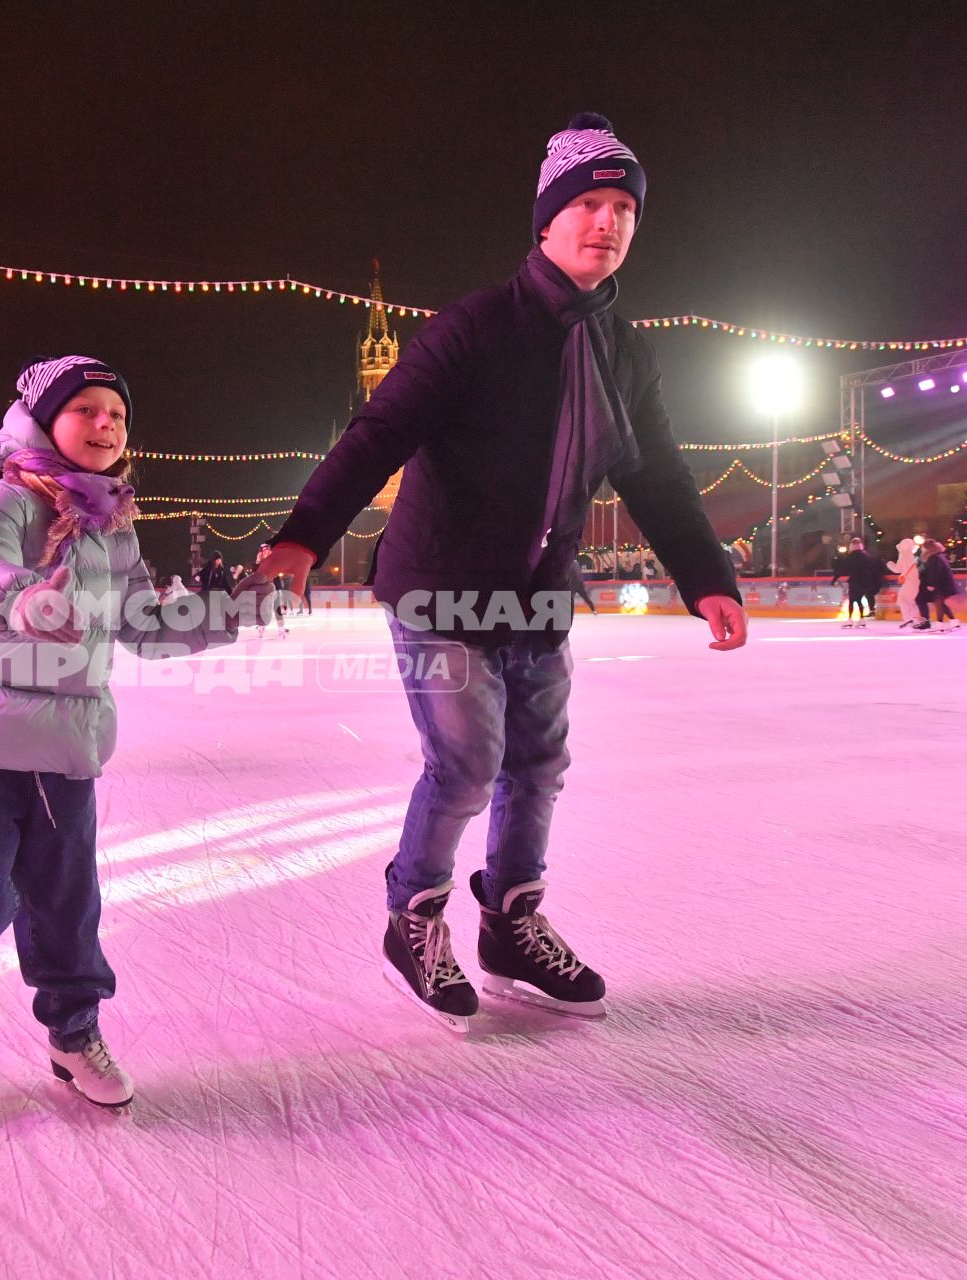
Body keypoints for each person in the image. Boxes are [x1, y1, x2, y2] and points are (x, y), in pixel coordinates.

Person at [252, 112, 746, 1029]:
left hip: (537, 597)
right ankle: (415, 915)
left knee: (539, 765)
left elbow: (656, 472)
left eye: (623, 209)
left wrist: (705, 573)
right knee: (467, 764)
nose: (606, 223)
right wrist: (304, 533)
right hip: (441, 589)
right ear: (547, 222)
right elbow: (381, 431)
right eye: (588, 204)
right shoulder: (474, 327)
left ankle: (511, 923)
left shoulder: (625, 350)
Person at [0, 355, 241, 1112]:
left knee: (67, 901)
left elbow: (144, 624)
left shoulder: (112, 527)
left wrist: (229, 613)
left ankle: (72, 1030)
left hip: (64, 747)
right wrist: (22, 601)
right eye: (86, 409)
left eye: (116, 415)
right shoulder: (10, 497)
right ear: (46, 419)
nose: (106, 424)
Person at [830, 536, 884, 626]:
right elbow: (874, 569)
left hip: (855, 582)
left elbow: (843, 569)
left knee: (852, 601)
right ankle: (861, 620)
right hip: (865, 582)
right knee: (858, 601)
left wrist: (835, 578)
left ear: (851, 546)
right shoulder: (867, 556)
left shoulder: (851, 557)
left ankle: (850, 620)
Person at [915, 539, 962, 631]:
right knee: (940, 603)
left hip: (941, 585)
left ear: (928, 548)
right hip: (943, 584)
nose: (922, 549)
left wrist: (930, 584)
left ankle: (940, 624)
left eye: (923, 547)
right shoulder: (937, 556)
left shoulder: (934, 557)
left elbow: (934, 572)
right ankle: (953, 621)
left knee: (939, 603)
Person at [888, 536, 924, 628]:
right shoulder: (912, 556)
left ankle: (908, 618)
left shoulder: (904, 556)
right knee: (910, 601)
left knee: (902, 599)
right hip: (915, 582)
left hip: (909, 582)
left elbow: (897, 569)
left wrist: (889, 564)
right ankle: (916, 620)